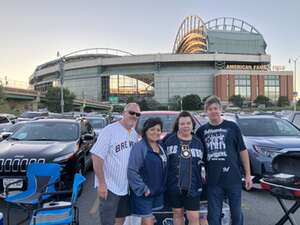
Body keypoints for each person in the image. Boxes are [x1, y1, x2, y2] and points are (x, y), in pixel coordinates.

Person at [196, 96, 252, 225]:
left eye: (215, 108)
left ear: (220, 109)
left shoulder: (232, 127)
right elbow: (198, 156)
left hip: (233, 178)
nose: (213, 111)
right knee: (214, 216)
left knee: (236, 214)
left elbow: (243, 151)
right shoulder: (201, 131)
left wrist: (248, 175)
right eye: (210, 109)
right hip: (214, 181)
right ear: (206, 111)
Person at [91, 103, 141, 225]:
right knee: (108, 221)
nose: (134, 116)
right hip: (110, 186)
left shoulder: (134, 134)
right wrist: (102, 184)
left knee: (121, 219)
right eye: (131, 112)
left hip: (124, 186)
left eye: (137, 114)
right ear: (124, 113)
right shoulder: (109, 130)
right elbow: (96, 157)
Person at [164, 111, 205, 225]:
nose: (185, 126)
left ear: (192, 125)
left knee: (193, 217)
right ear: (178, 125)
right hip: (173, 185)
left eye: (188, 123)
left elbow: (205, 163)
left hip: (193, 186)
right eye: (182, 123)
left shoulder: (198, 141)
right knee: (177, 214)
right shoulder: (168, 140)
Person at [128, 117, 167, 225]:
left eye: (158, 130)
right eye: (152, 129)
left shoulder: (161, 146)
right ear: (146, 131)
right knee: (148, 221)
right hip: (144, 194)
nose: (156, 132)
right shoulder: (140, 147)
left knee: (153, 221)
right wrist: (143, 189)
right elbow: (132, 171)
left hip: (158, 193)